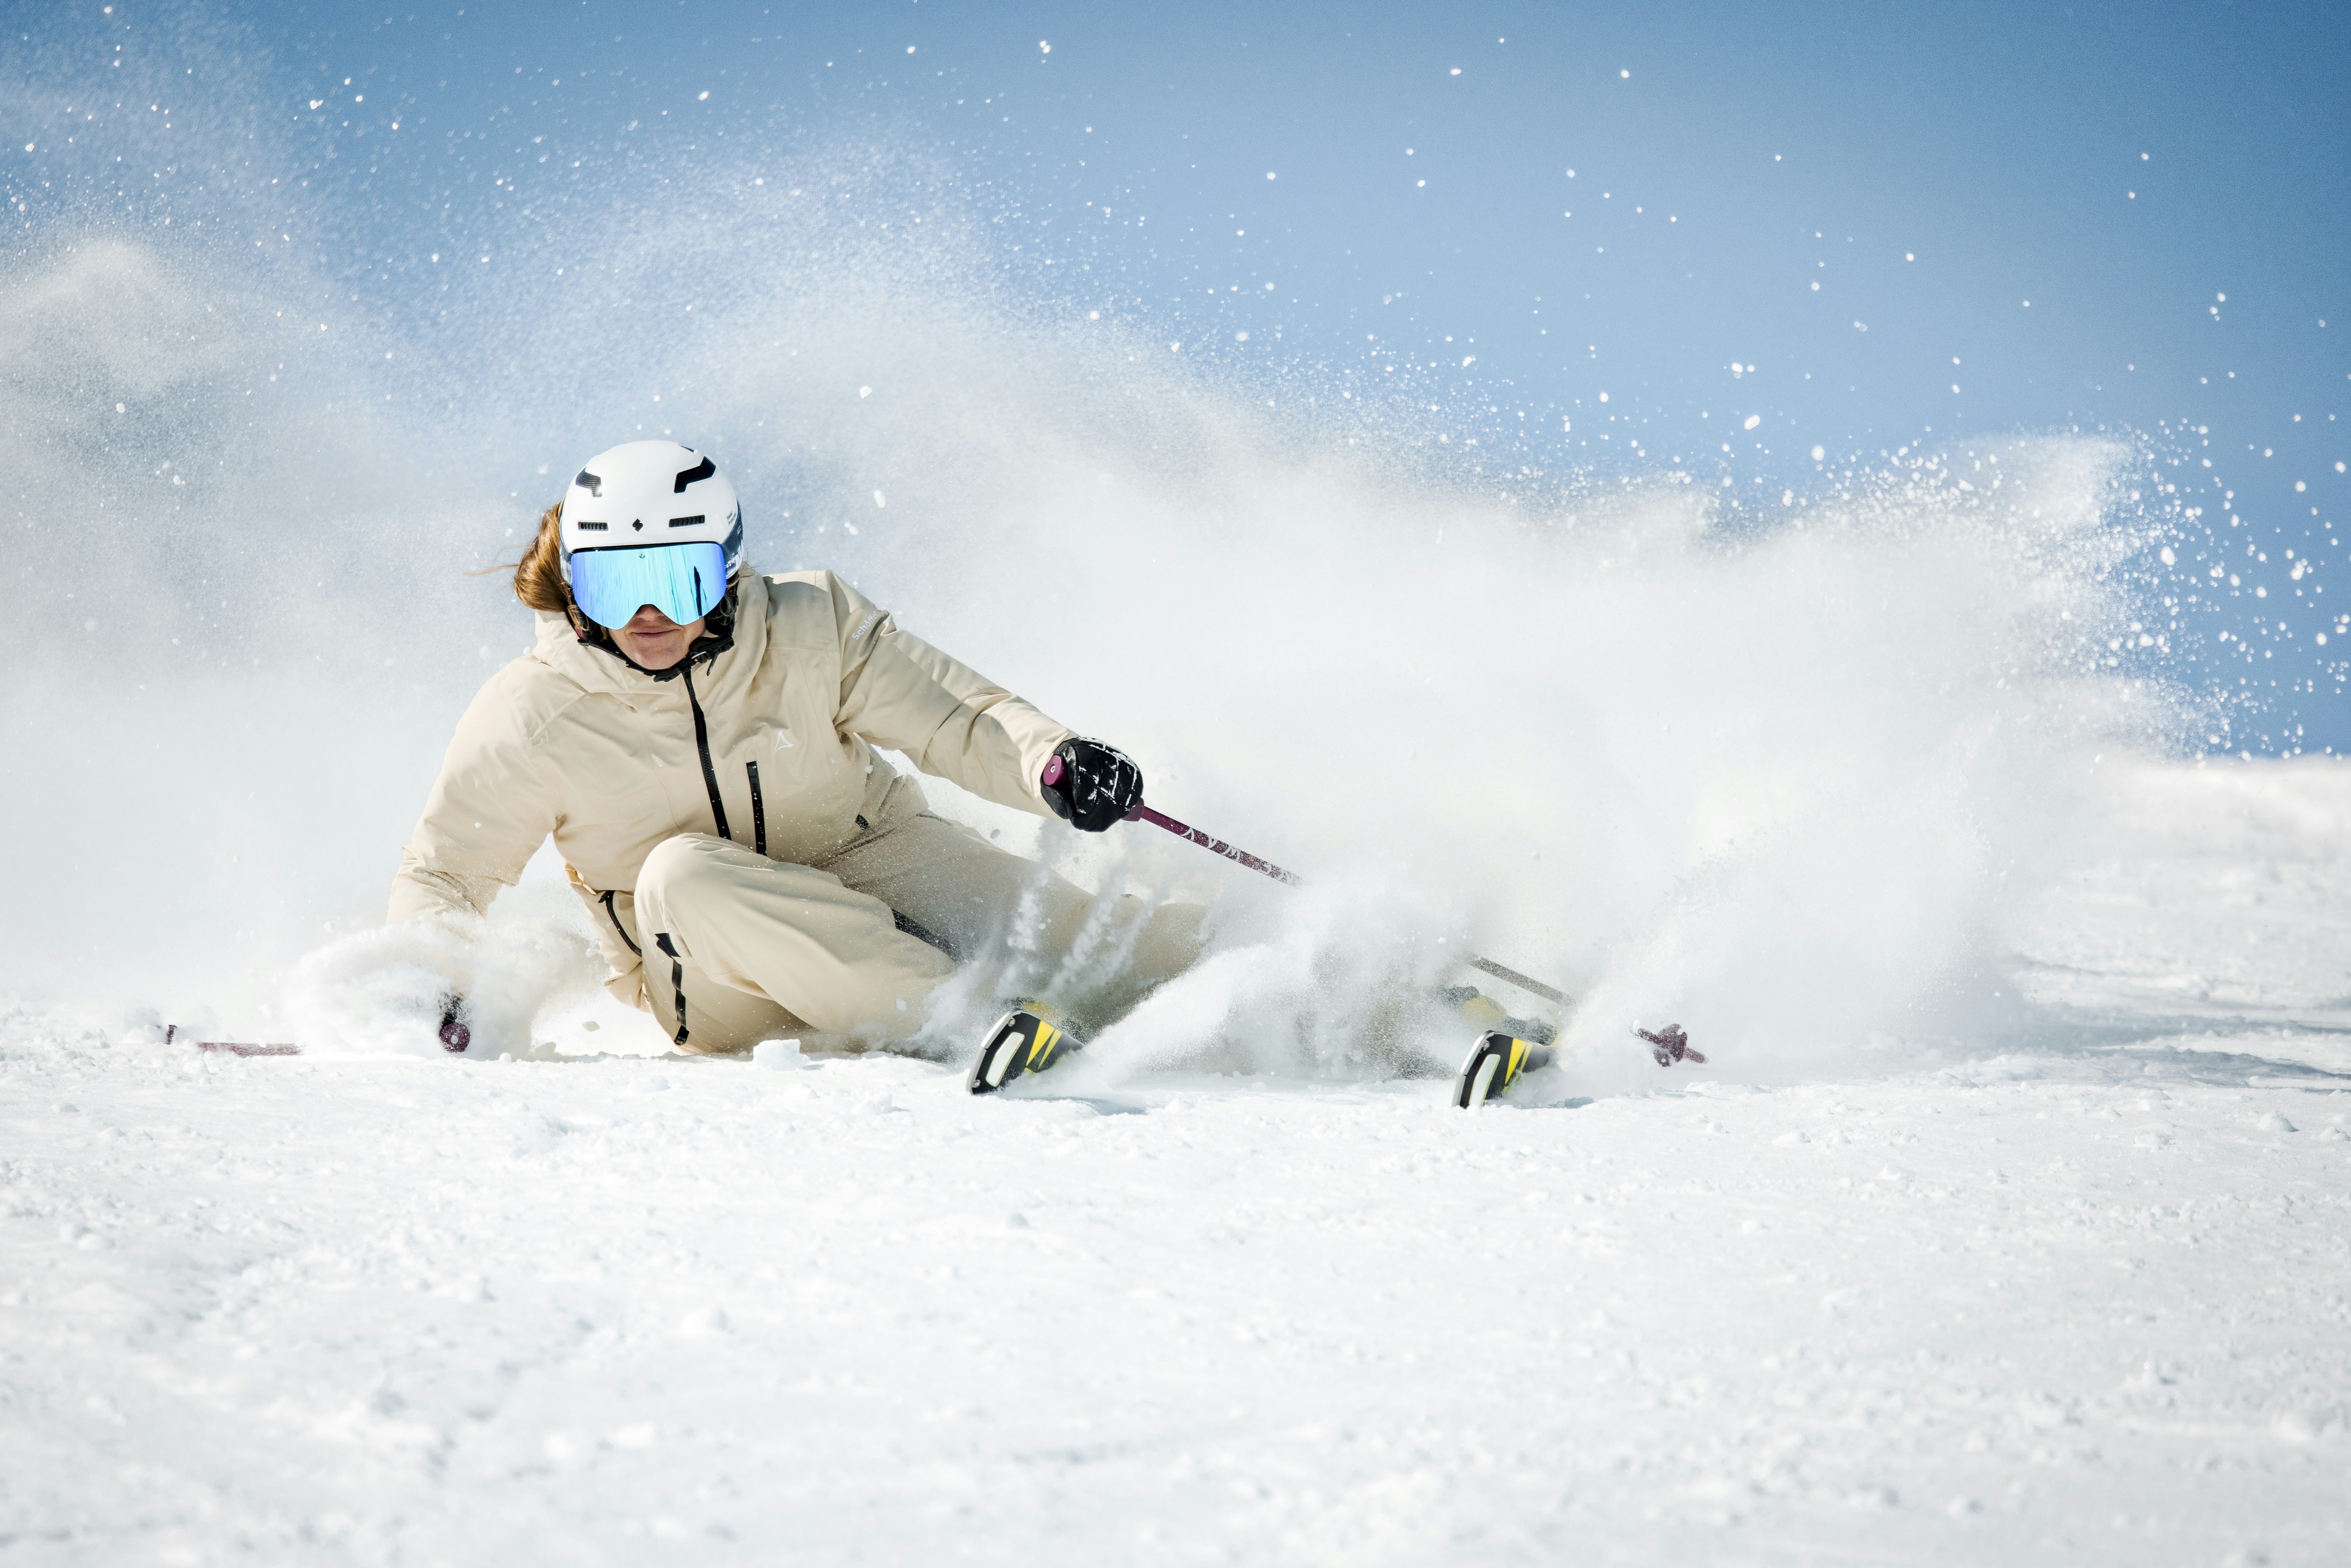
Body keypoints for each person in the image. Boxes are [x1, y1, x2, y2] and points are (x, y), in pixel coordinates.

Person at [389, 440, 1205, 1081]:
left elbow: (960, 720)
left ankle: (1296, 990)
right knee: (681, 874)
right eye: (613, 585)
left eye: (678, 578)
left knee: (1111, 944)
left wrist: (1053, 765)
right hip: (709, 966)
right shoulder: (533, 710)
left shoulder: (811, 626)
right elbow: (446, 873)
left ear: (728, 569)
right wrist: (427, 983)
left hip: (867, 852)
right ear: (573, 586)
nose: (647, 615)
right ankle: (972, 1016)